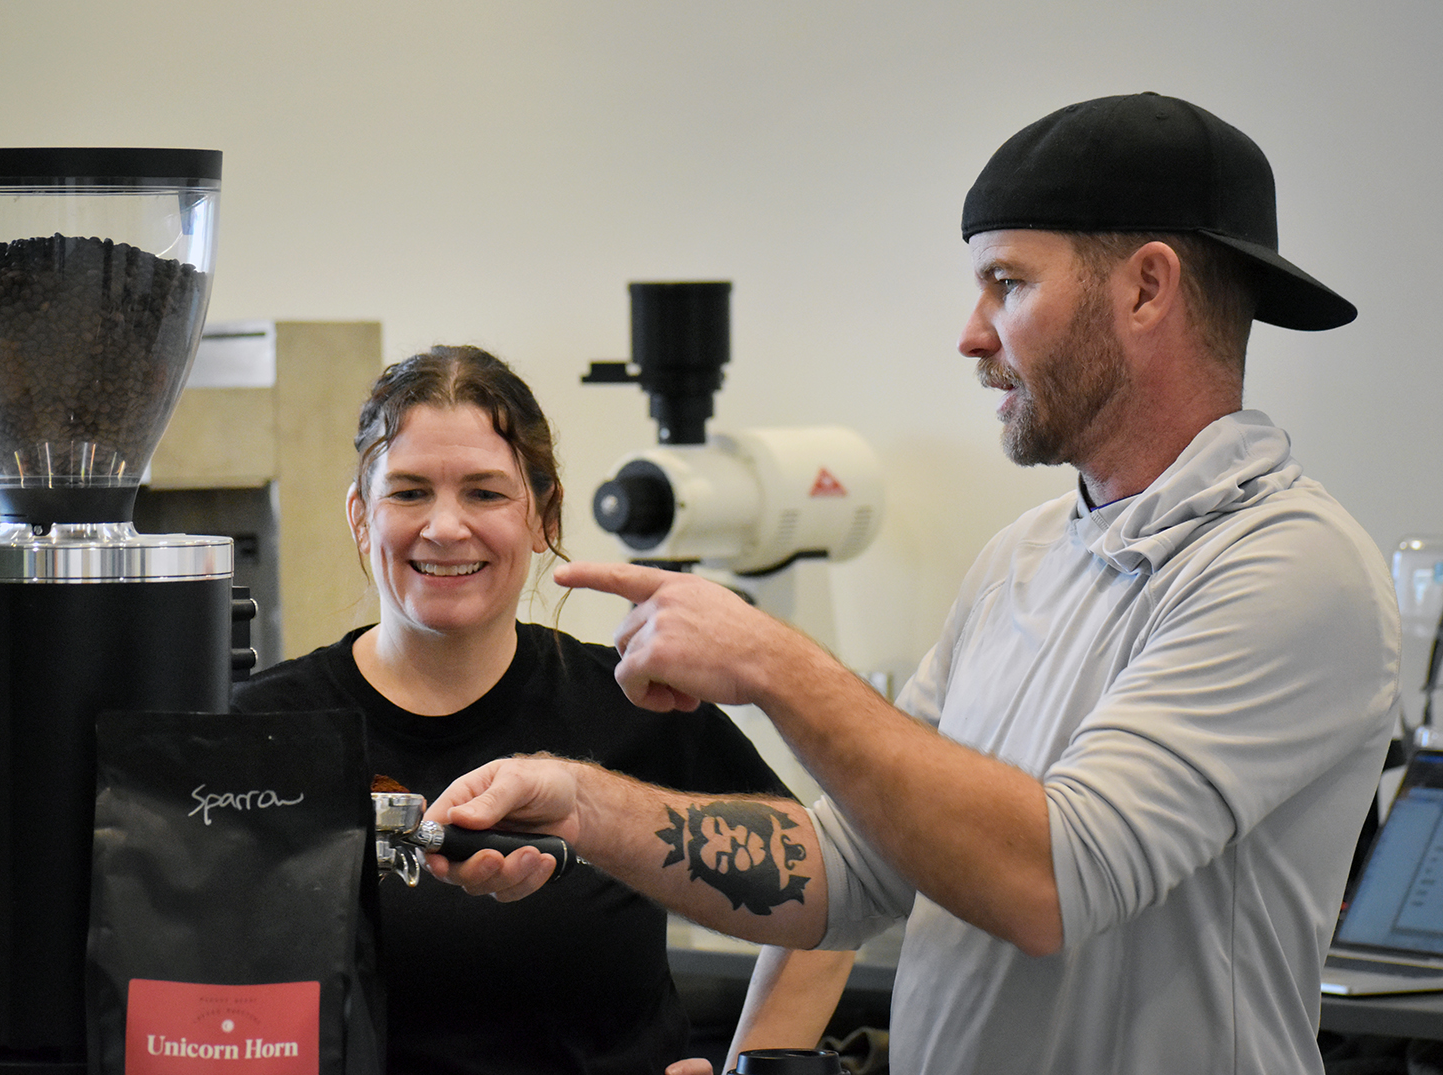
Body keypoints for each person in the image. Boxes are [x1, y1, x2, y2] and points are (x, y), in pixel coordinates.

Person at [425, 93, 1403, 1074]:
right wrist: (581, 806)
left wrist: (771, 661)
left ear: (1146, 289)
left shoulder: (1288, 565)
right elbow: (844, 873)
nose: (971, 336)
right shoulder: (1024, 556)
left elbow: (1050, 879)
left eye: (1006, 283)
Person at [229, 345, 854, 1075]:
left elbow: (832, 896)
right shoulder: (265, 729)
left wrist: (754, 1064)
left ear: (541, 513)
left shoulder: (633, 703)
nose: (445, 526)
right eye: (408, 492)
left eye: (486, 493)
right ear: (361, 516)